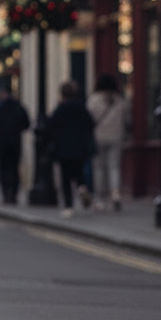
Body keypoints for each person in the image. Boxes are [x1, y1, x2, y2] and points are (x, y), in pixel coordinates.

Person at [48, 80, 95, 217]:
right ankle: (82, 187)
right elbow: (91, 124)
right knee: (79, 173)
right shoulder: (81, 108)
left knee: (66, 178)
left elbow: (52, 126)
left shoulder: (60, 109)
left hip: (63, 148)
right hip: (80, 147)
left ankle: (69, 206)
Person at [86, 74, 129, 211]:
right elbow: (127, 120)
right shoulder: (119, 100)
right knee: (114, 167)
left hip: (98, 137)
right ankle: (115, 194)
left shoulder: (93, 100)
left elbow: (88, 120)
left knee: (99, 169)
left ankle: (100, 199)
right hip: (116, 137)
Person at [0, 85, 30, 205]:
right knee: (14, 168)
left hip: (2, 143)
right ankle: (13, 194)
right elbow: (26, 123)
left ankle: (6, 194)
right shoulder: (18, 107)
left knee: (4, 169)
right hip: (15, 142)